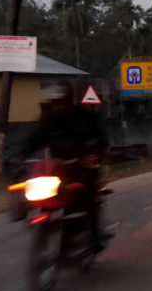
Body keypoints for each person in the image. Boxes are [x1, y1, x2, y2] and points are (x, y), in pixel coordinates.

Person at [21, 84, 110, 248]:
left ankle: (95, 236)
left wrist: (94, 153)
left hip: (83, 166)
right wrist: (19, 156)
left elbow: (100, 137)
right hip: (57, 168)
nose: (59, 105)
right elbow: (34, 140)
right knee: (45, 198)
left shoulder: (85, 117)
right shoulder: (49, 121)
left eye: (62, 101)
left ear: (69, 100)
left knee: (87, 194)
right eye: (56, 102)